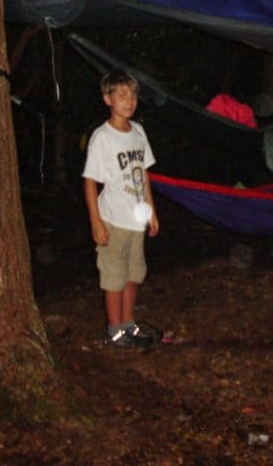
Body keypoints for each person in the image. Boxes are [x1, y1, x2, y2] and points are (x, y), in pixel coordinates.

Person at [83, 69, 160, 347]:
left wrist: (151, 211)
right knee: (114, 276)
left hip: (135, 221)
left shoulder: (138, 131)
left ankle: (130, 324)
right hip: (113, 220)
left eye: (133, 95)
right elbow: (90, 181)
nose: (129, 101)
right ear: (108, 99)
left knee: (133, 274)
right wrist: (96, 222)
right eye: (122, 95)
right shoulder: (102, 137)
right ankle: (114, 329)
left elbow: (144, 175)